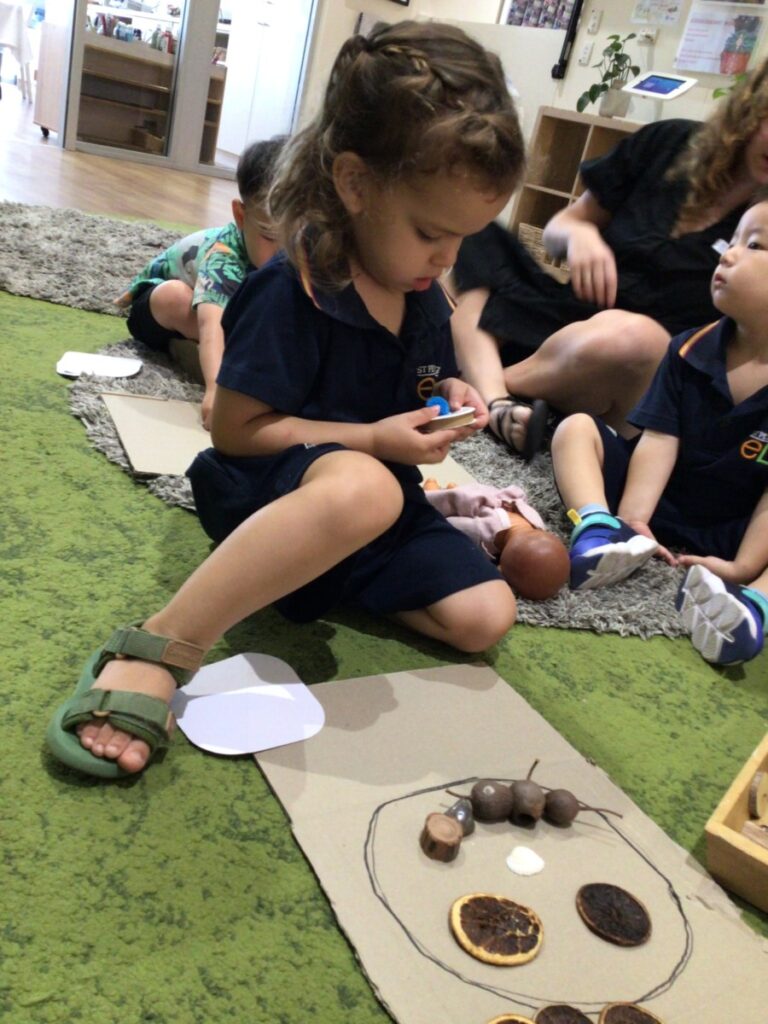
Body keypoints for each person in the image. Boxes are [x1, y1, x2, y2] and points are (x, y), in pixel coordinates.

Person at [46, 21, 526, 778]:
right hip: (265, 486)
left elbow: (418, 379)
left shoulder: (423, 292)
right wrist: (374, 441)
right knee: (367, 488)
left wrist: (448, 393)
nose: (446, 258)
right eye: (431, 232)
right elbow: (235, 432)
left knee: (484, 616)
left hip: (373, 504)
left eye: (464, 239)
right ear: (355, 184)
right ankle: (161, 646)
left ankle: (301, 566)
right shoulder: (293, 289)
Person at [450, 58, 768, 458]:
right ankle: (498, 401)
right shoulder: (670, 142)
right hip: (568, 319)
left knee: (633, 338)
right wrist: (580, 235)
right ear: (751, 108)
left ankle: (487, 383)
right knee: (476, 231)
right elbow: (560, 227)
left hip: (637, 364)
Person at [549, 197, 768, 666]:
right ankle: (598, 527)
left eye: (754, 245)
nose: (728, 254)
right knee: (576, 429)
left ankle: (752, 607)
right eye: (731, 241)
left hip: (738, 529)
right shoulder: (687, 350)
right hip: (661, 503)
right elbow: (660, 438)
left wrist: (744, 567)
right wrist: (634, 518)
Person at [115, 137, 285, 428]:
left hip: (233, 311)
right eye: (269, 236)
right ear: (241, 216)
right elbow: (211, 325)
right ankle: (192, 350)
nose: (284, 251)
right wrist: (217, 391)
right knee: (176, 297)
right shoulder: (225, 257)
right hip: (155, 310)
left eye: (297, 235)